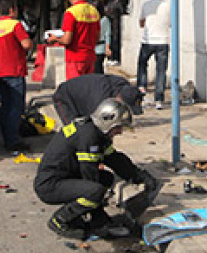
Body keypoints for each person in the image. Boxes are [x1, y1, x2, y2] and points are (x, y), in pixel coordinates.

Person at [34, 98, 156, 240]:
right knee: (95, 190)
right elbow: (89, 175)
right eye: (118, 127)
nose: (120, 132)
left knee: (106, 178)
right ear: (107, 121)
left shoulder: (94, 131)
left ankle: (88, 219)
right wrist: (100, 218)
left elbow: (115, 159)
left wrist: (138, 175)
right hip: (50, 186)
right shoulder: (88, 137)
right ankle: (60, 221)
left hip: (64, 177)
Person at [0, 0, 33, 153]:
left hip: (0, 72)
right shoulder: (15, 25)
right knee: (16, 107)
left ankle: (7, 138)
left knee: (5, 107)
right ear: (12, 10)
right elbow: (26, 44)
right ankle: (14, 141)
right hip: (15, 70)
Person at [45, 0, 100, 80]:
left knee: (75, 90)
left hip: (75, 58)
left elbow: (67, 40)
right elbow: (97, 37)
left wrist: (55, 38)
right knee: (88, 89)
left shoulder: (71, 12)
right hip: (90, 57)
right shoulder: (94, 10)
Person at [52, 72, 144, 123]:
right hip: (64, 97)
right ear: (119, 98)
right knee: (73, 131)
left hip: (83, 94)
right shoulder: (98, 100)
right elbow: (96, 123)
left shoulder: (122, 83)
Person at [137, 0, 171, 109]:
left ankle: (142, 91)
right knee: (161, 71)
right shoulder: (168, 5)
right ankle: (159, 100)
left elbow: (141, 23)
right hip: (163, 41)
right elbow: (171, 23)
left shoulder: (146, 5)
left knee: (142, 65)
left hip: (148, 41)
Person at [105, 0, 124, 66]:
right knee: (110, 40)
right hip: (109, 24)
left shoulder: (117, 2)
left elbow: (120, 11)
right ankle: (110, 58)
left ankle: (115, 58)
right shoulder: (109, 3)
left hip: (115, 24)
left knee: (115, 41)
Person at [94, 2, 112, 74]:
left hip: (100, 47)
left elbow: (108, 35)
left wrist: (107, 48)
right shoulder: (94, 20)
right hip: (93, 47)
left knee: (97, 68)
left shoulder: (104, 20)